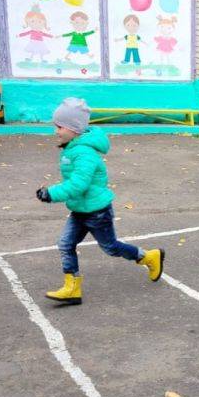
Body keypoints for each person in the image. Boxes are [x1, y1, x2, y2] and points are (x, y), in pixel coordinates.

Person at [36, 98, 163, 304]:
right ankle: (72, 288)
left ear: (73, 129)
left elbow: (79, 184)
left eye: (59, 127)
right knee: (65, 244)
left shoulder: (84, 153)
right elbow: (74, 181)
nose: (56, 131)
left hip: (97, 211)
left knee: (110, 247)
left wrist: (51, 193)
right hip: (80, 209)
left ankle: (149, 257)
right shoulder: (73, 147)